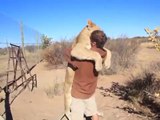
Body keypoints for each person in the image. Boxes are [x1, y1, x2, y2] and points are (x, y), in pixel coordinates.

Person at [66, 30, 108, 120]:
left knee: (77, 117)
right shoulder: (104, 54)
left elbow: (67, 52)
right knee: (94, 113)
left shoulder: (80, 57)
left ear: (93, 42)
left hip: (78, 94)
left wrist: (79, 44)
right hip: (91, 92)